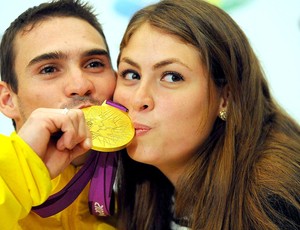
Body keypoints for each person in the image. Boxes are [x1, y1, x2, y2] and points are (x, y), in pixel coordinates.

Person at [113, 0, 300, 229]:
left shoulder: (277, 199)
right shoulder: (142, 189)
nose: (139, 99)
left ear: (225, 98)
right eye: (131, 74)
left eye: (172, 77)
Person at [0, 0, 117, 229]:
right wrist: (21, 172)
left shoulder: (143, 203)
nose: (81, 85)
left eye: (94, 64)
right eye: (49, 69)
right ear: (8, 100)